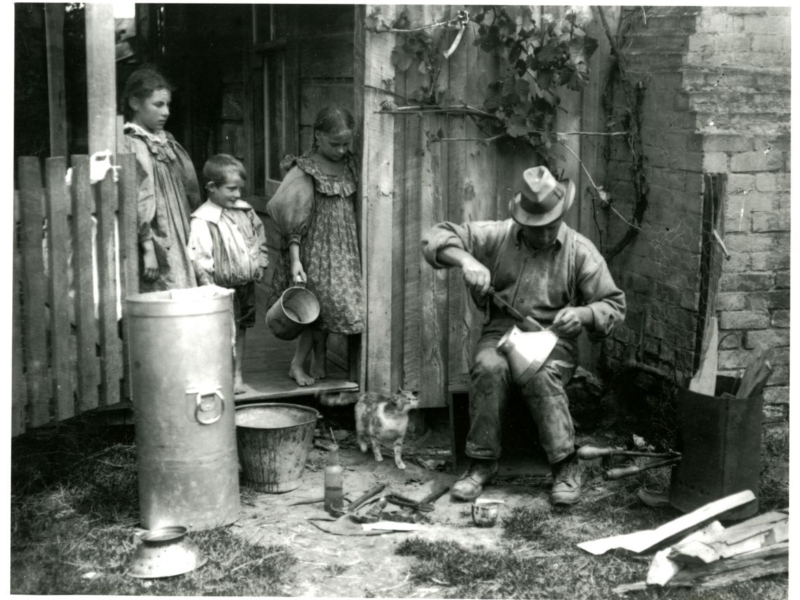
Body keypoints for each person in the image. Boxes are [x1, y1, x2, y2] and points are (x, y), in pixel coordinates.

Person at [421, 166, 626, 505]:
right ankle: (481, 464)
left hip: (552, 338)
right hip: (501, 333)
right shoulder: (500, 236)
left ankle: (563, 465)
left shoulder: (580, 251)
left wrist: (583, 314)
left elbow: (614, 305)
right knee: (490, 366)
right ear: (522, 220)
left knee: (537, 372)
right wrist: (466, 261)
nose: (544, 235)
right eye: (536, 228)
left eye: (550, 227)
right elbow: (435, 237)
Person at [266, 106, 364, 386]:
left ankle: (319, 355)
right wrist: (296, 260)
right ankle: (298, 364)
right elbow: (292, 212)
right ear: (318, 136)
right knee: (316, 306)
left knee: (334, 306)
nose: (343, 150)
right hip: (315, 249)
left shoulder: (349, 164)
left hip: (343, 250)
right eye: (335, 143)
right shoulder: (306, 168)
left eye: (347, 143)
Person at [188, 155, 269, 394]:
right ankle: (216, 375)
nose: (236, 195)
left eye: (239, 189)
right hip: (219, 289)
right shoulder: (202, 220)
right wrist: (209, 288)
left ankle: (236, 375)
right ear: (212, 187)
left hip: (244, 285)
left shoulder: (245, 211)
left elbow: (258, 237)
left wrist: (260, 263)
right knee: (221, 333)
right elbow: (199, 258)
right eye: (231, 189)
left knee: (241, 329)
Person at [121, 67, 201, 292]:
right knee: (165, 288)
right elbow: (139, 198)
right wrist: (148, 249)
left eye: (168, 105)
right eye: (158, 105)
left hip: (179, 226)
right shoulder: (133, 144)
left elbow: (190, 189)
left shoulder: (164, 141)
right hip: (155, 235)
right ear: (135, 103)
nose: (166, 112)